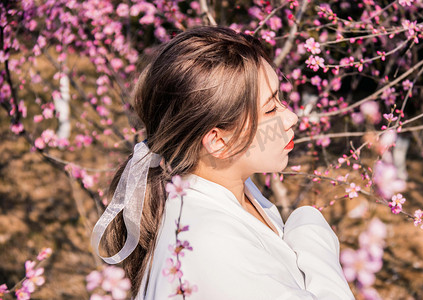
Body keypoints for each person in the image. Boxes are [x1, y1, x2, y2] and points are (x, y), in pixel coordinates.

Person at [91, 26, 354, 300]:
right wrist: (310, 231)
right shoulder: (210, 245)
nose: (291, 118)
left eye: (280, 99)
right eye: (270, 109)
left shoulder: (234, 188)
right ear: (218, 141)